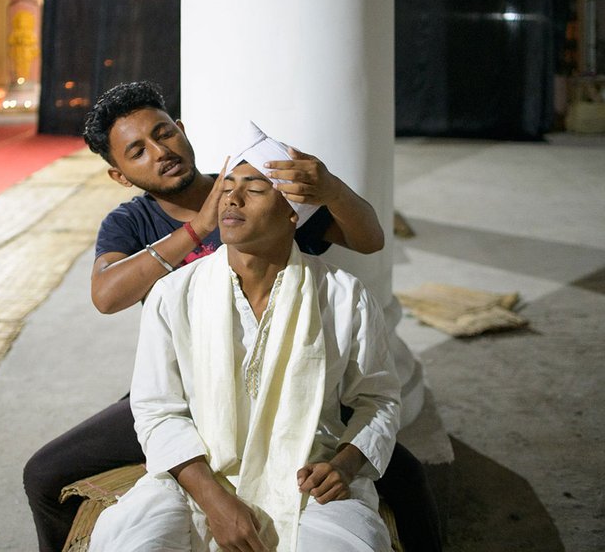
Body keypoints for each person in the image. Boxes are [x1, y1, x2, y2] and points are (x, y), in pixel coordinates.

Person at [23, 81, 441, 551]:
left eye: (164, 133)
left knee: (406, 478)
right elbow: (106, 294)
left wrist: (331, 188)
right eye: (137, 151)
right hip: (193, 381)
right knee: (43, 475)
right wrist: (198, 226)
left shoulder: (259, 192)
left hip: (297, 374)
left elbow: (368, 239)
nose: (160, 152)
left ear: (180, 130)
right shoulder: (133, 222)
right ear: (120, 174)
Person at [89, 147, 401, 552]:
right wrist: (214, 499)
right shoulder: (173, 293)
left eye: (254, 190)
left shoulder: (344, 296)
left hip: (306, 478)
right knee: (136, 542)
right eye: (226, 189)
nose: (232, 200)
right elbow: (156, 409)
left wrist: (343, 465)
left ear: (294, 215)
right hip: (198, 475)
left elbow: (378, 398)